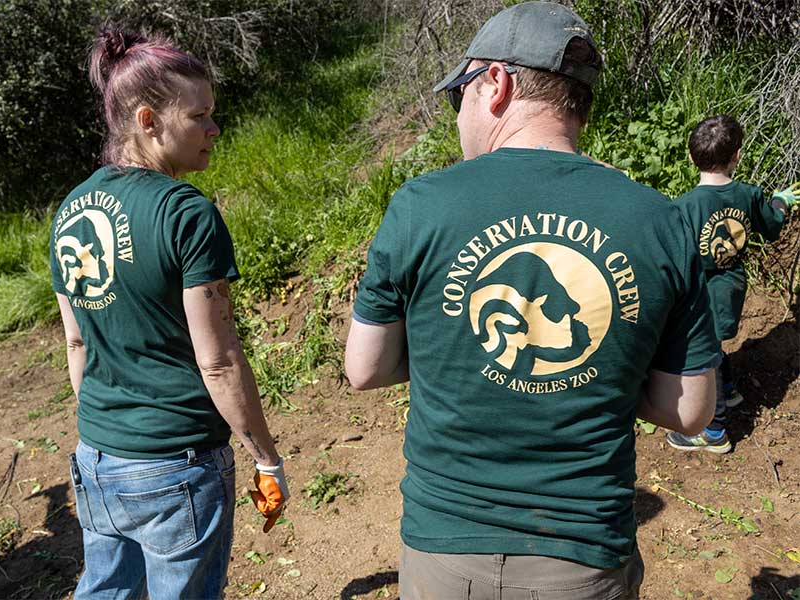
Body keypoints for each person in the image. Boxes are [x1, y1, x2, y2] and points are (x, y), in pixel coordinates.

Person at [344, 3, 719, 599]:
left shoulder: (421, 204)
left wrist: (453, 355)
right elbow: (692, 411)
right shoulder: (660, 221)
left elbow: (364, 369)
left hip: (445, 546)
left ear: (495, 84)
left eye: (458, 96)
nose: (458, 116)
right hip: (583, 556)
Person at [50, 27, 288, 599]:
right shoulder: (186, 213)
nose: (214, 129)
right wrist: (266, 457)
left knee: (105, 590)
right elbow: (220, 360)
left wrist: (110, 432)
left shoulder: (71, 207)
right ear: (148, 121)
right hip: (175, 465)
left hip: (97, 458)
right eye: (200, 116)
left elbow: (77, 345)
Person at [666, 115, 798, 453]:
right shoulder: (750, 195)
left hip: (701, 292)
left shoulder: (684, 207)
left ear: (691, 156)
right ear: (737, 155)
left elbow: (675, 256)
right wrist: (780, 202)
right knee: (715, 345)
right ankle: (729, 388)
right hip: (733, 286)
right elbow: (771, 226)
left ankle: (714, 430)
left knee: (701, 357)